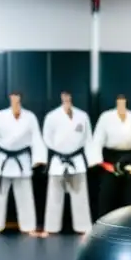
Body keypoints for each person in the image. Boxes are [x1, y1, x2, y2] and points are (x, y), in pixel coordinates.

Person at [0, 91, 47, 236]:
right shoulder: (0, 116)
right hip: (3, 159)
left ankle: (29, 227)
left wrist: (39, 158)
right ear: (10, 98)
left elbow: (36, 138)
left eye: (17, 98)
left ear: (20, 99)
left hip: (22, 159)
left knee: (25, 195)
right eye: (13, 97)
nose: (15, 100)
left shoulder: (29, 117)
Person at [42, 91, 99, 235]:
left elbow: (88, 139)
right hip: (58, 160)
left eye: (69, 96)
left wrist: (92, 160)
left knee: (80, 196)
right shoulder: (52, 116)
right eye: (64, 96)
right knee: (54, 196)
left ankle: (83, 227)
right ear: (61, 98)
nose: (67, 99)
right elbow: (46, 139)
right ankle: (51, 227)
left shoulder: (82, 116)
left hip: (76, 160)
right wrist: (44, 159)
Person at [91, 94, 131, 217]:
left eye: (123, 102)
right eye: (119, 102)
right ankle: (104, 226)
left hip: (130, 158)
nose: (121, 104)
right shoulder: (106, 117)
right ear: (116, 102)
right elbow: (97, 140)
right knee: (107, 195)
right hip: (110, 159)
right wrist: (101, 163)